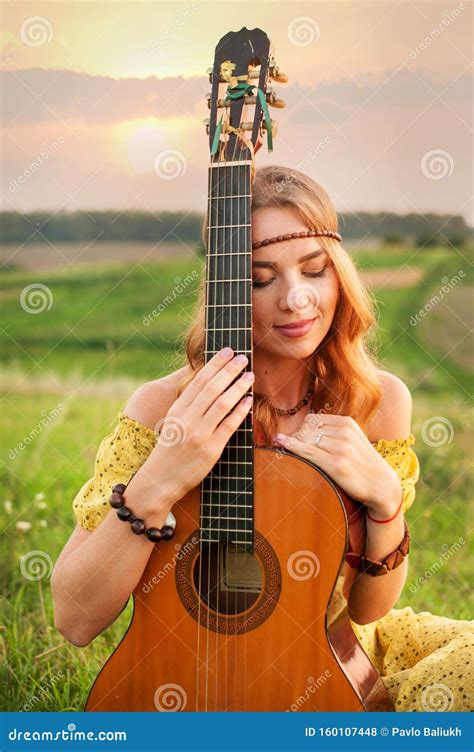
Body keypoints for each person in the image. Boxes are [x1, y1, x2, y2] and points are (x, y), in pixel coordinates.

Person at [51, 165, 473, 711]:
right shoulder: (162, 409)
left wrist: (386, 503)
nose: (297, 300)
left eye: (314, 270)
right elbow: (76, 620)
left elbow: (367, 611)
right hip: (177, 675)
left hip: (329, 659)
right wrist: (160, 478)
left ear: (338, 273)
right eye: (260, 278)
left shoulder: (376, 401)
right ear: (225, 289)